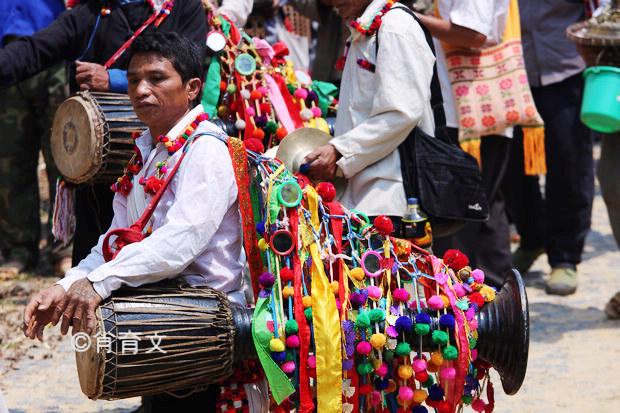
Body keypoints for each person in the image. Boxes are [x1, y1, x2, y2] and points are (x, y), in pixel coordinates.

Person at [23, 32, 244, 412]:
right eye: (135, 78)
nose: (141, 89)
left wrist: (99, 283)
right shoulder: (146, 151)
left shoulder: (207, 150)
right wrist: (66, 286)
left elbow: (177, 245)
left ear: (192, 88)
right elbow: (112, 243)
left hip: (207, 322)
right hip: (163, 309)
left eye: (157, 78)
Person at [0, 0, 208, 271]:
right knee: (93, 261)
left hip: (168, 159)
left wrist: (115, 79)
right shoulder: (96, 10)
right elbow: (35, 50)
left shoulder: (183, 7)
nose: (142, 90)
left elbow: (190, 66)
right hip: (99, 172)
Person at [303, 0, 435, 223]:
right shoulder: (367, 29)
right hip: (363, 199)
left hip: (391, 201)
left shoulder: (395, 27)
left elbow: (401, 112)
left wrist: (339, 150)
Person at [415, 0, 512, 286]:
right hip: (466, 112)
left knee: (463, 213)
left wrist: (405, 16)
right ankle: (490, 305)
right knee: (481, 210)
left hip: (470, 113)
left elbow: (472, 33)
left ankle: (480, 305)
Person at [502, 0, 594, 295]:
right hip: (510, 74)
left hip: (565, 69)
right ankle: (531, 239)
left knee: (569, 164)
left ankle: (565, 257)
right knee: (512, 168)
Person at [0, 0, 69, 278]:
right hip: (5, 55)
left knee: (63, 158)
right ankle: (18, 249)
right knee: (9, 159)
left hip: (54, 50)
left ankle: (65, 248)